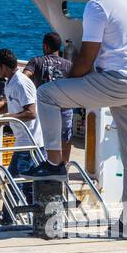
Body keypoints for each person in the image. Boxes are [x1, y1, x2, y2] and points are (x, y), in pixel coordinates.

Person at [36, 0, 127, 238]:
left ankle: (54, 163)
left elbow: (86, 60)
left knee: (47, 95)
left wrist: (67, 83)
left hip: (120, 81)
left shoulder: (97, 5)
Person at [0, 49, 44, 162]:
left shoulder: (20, 83)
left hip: (31, 143)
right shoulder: (10, 82)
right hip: (22, 142)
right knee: (14, 178)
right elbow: (10, 104)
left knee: (17, 178)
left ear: (4, 67)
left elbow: (31, 113)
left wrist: (2, 121)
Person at [25, 32, 74, 163]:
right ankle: (64, 165)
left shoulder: (36, 61)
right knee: (66, 136)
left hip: (44, 107)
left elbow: (24, 78)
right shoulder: (69, 65)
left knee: (45, 136)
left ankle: (47, 163)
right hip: (65, 106)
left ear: (45, 46)